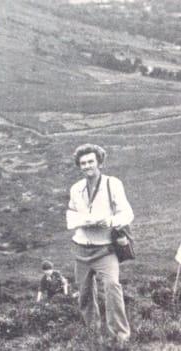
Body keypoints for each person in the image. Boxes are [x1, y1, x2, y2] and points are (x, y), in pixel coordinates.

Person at [66, 144, 133, 344]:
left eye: (91, 161)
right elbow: (71, 214)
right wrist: (82, 220)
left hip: (105, 249)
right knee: (84, 294)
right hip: (81, 249)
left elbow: (127, 213)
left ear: (100, 163)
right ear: (79, 165)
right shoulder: (76, 188)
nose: (87, 166)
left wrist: (111, 221)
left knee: (112, 287)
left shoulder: (113, 184)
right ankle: (93, 334)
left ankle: (120, 337)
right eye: (83, 163)